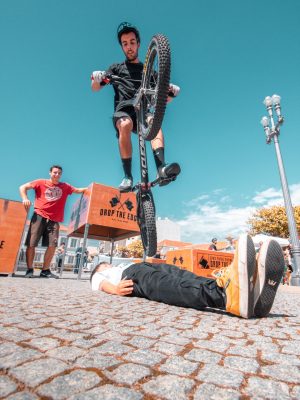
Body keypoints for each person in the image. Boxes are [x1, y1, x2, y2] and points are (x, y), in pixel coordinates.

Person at [90, 234, 285, 319]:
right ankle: (223, 295)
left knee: (183, 275)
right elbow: (99, 282)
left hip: (141, 266)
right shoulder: (101, 273)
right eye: (105, 265)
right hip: (131, 276)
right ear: (101, 268)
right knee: (166, 285)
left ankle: (240, 290)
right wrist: (114, 289)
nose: (108, 265)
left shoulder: (119, 265)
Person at [91, 22, 181, 192]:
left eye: (132, 42)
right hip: (124, 110)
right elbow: (96, 87)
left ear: (138, 44)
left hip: (143, 111)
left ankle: (161, 168)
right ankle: (127, 176)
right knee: (125, 124)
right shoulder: (116, 68)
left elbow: (163, 100)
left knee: (155, 121)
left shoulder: (148, 71)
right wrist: (97, 78)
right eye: (125, 44)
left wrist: (171, 93)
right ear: (122, 47)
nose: (129, 47)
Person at [19, 165, 87, 278]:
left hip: (54, 220)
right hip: (39, 216)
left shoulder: (65, 186)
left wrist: (92, 187)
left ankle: (45, 271)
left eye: (59, 173)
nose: (57, 175)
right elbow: (22, 187)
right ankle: (30, 270)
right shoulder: (40, 182)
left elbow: (79, 190)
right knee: (31, 244)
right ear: (50, 173)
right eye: (55, 172)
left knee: (52, 245)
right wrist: (25, 198)